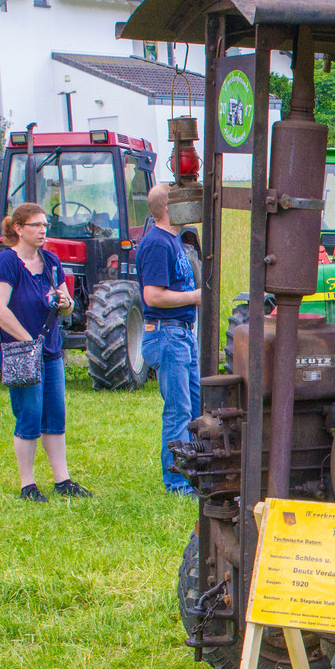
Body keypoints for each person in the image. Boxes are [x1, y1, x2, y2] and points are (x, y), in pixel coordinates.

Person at [0, 202, 92, 501]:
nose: (43, 229)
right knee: (29, 414)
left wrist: (65, 302)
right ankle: (27, 484)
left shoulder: (50, 261)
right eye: (36, 225)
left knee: (55, 414)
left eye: (45, 224)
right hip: (21, 351)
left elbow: (68, 304)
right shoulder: (7, 262)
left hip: (50, 349)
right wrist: (27, 340)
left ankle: (63, 480)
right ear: (18, 229)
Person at [136, 183, 202, 494]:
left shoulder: (173, 240)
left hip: (180, 333)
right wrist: (195, 296)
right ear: (168, 207)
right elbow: (153, 296)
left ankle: (192, 473)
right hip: (166, 333)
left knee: (192, 406)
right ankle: (177, 482)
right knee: (178, 410)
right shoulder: (157, 244)